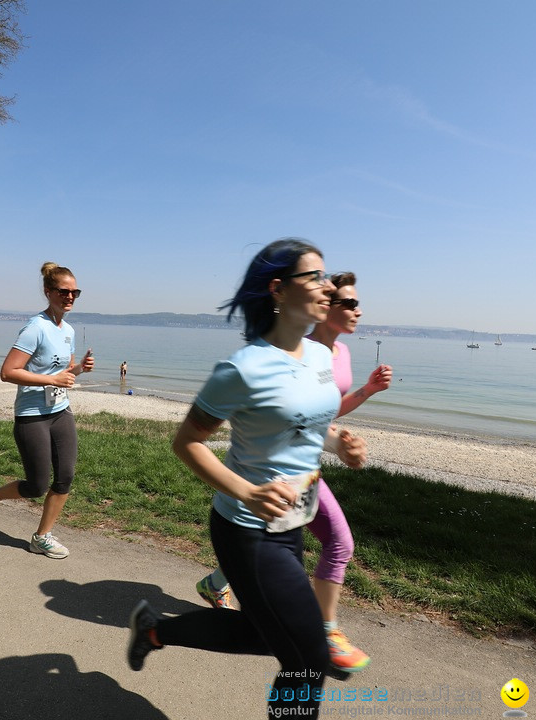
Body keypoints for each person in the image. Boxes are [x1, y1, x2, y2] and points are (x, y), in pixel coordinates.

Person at [127, 239, 367, 720]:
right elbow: (187, 442)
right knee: (309, 658)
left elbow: (307, 425)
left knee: (267, 633)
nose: (328, 285)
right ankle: (155, 630)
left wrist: (337, 443)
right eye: (314, 276)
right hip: (246, 529)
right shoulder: (243, 368)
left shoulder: (320, 357)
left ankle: (154, 629)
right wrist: (247, 490)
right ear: (278, 290)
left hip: (293, 522)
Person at [194, 272, 392, 677]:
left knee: (276, 551)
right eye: (349, 303)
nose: (358, 310)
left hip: (302, 471)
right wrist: (332, 442)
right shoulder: (295, 353)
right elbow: (288, 418)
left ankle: (217, 588)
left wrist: (363, 398)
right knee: (335, 544)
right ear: (325, 306)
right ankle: (324, 630)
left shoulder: (336, 355)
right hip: (274, 474)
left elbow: (323, 414)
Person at [0, 262, 95, 559]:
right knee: (36, 485)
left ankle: (41, 537)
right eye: (64, 291)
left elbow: (63, 370)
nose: (70, 297)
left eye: (75, 291)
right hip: (32, 416)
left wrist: (78, 369)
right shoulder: (35, 328)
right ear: (48, 291)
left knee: (65, 477)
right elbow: (8, 371)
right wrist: (52, 378)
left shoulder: (68, 330)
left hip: (60, 410)